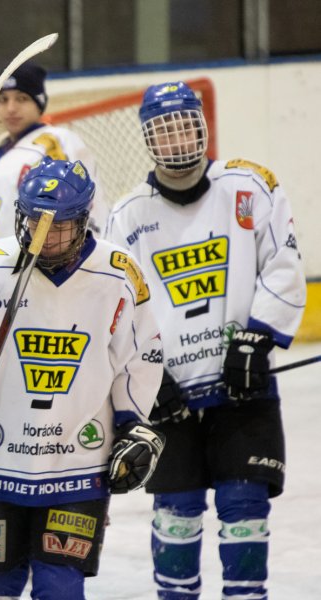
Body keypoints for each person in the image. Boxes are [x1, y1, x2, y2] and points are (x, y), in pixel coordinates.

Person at [105, 81, 307, 600]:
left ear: (202, 127)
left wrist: (255, 340)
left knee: (245, 510)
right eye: (163, 132)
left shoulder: (250, 186)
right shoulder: (126, 217)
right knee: (177, 515)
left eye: (184, 127)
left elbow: (283, 266)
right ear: (148, 140)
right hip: (169, 404)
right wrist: (146, 379)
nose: (176, 142)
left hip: (245, 391)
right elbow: (116, 312)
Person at [0, 157, 165, 599]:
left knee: (61, 587)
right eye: (35, 220)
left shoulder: (118, 272)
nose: (45, 234)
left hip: (77, 466)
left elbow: (139, 358)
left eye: (59, 225)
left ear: (83, 220)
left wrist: (134, 424)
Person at [0, 61, 109, 258]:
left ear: (39, 103)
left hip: (34, 273)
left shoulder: (56, 144)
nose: (11, 108)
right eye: (3, 99)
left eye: (22, 99)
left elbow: (85, 210)